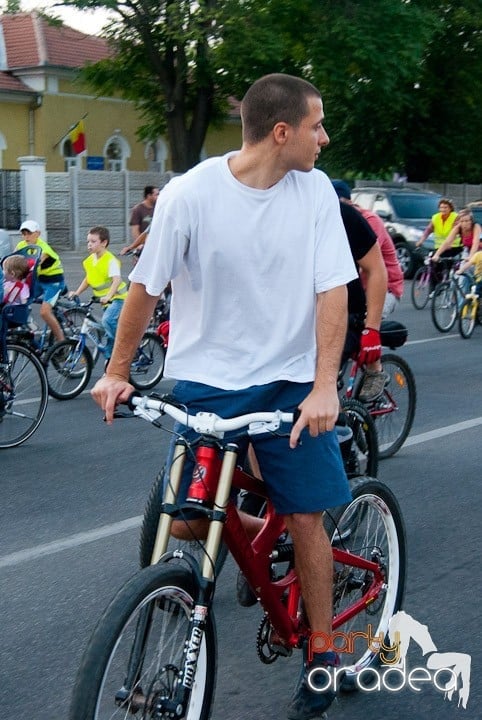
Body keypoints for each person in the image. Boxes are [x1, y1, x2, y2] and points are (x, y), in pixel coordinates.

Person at [92, 73, 358, 720]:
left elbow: (332, 290)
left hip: (291, 381)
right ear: (280, 131)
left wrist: (324, 387)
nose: (324, 138)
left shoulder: (315, 191)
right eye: (316, 125)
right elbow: (145, 285)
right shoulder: (190, 194)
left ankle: (323, 652)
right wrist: (117, 370)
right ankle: (248, 542)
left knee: (305, 518)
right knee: (185, 517)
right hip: (210, 384)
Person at [331, 181, 389, 403]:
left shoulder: (356, 218)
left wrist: (371, 328)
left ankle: (375, 369)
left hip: (353, 303)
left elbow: (376, 269)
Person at [68, 226, 128, 361]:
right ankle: (112, 351)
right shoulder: (89, 260)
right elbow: (88, 279)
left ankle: (121, 346)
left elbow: (116, 280)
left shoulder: (110, 260)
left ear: (104, 242)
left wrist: (108, 296)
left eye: (93, 241)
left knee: (107, 320)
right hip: (105, 301)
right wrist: (77, 292)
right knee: (106, 324)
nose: (89, 244)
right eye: (88, 241)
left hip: (118, 298)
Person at [15, 220, 66, 341]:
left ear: (38, 233)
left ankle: (62, 342)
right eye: (23, 234)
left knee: (44, 312)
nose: (26, 237)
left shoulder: (44, 249)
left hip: (54, 282)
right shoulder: (21, 246)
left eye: (29, 233)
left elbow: (33, 266)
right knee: (18, 301)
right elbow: (12, 262)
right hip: (38, 280)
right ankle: (30, 327)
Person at [120, 186, 159, 256]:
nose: (158, 196)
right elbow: (135, 230)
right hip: (142, 247)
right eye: (156, 194)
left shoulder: (158, 208)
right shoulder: (138, 209)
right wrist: (139, 246)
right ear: (149, 196)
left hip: (156, 247)